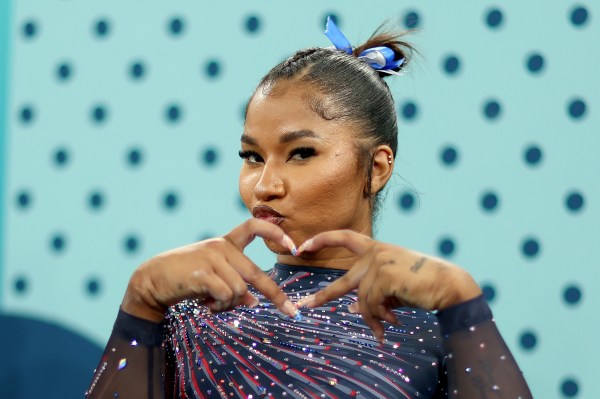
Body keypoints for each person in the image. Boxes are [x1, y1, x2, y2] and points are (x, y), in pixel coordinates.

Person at [86, 17, 532, 398]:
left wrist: (463, 308)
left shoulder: (435, 324)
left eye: (301, 153)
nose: (265, 185)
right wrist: (140, 304)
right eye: (252, 157)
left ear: (376, 168)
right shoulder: (189, 318)